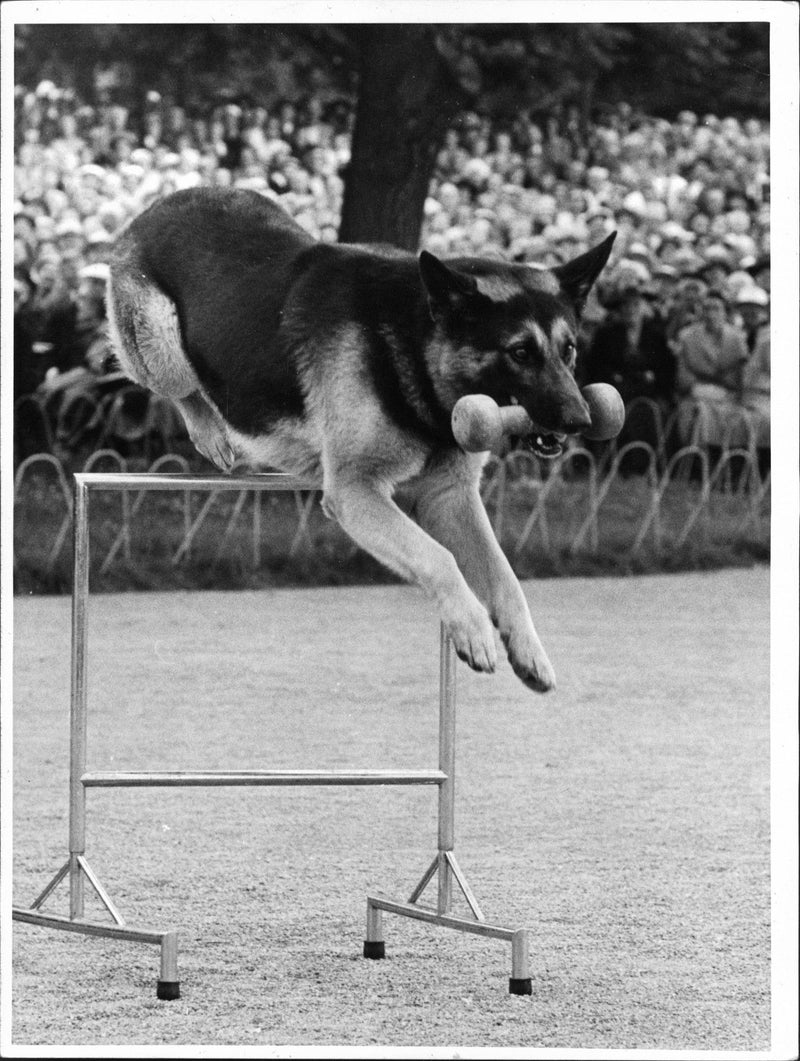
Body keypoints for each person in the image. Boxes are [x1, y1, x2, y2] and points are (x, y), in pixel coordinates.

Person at [673, 289, 749, 454]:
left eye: (716, 309)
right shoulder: (686, 336)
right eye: (707, 308)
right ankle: (697, 461)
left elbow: (739, 375)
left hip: (729, 395)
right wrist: (701, 387)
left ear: (725, 312)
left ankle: (728, 461)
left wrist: (725, 387)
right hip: (695, 393)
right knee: (698, 412)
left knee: (738, 416)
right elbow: (683, 375)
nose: (711, 314)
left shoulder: (737, 338)